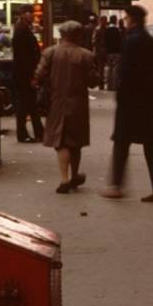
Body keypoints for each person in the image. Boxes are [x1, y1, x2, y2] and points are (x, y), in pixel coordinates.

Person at [101, 5, 153, 202]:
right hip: (149, 102)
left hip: (130, 101)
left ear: (132, 20)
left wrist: (120, 95)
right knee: (151, 145)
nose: (125, 22)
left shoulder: (130, 42)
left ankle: (115, 185)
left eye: (127, 18)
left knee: (121, 143)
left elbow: (125, 73)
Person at [35, 20, 98, 193]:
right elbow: (93, 82)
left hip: (56, 101)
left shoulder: (50, 53)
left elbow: (39, 75)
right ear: (78, 35)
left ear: (61, 35)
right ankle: (75, 175)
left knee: (61, 141)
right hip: (78, 103)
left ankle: (64, 178)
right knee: (75, 142)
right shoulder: (86, 55)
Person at [11, 11, 44, 143]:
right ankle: (24, 133)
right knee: (25, 104)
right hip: (24, 74)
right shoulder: (22, 33)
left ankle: (38, 131)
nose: (31, 15)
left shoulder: (23, 30)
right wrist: (31, 76)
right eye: (28, 13)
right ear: (23, 15)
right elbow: (24, 58)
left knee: (29, 104)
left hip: (24, 73)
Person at [102, 15, 123, 90]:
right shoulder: (117, 30)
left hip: (109, 52)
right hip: (116, 52)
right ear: (115, 20)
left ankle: (109, 86)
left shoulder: (107, 30)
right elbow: (120, 41)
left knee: (109, 69)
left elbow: (105, 41)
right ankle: (114, 86)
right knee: (115, 70)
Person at [92, 15, 109, 90]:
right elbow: (94, 41)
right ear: (101, 21)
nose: (105, 22)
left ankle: (104, 82)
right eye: (104, 20)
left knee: (105, 68)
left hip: (106, 51)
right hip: (100, 51)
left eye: (106, 20)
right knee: (100, 68)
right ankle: (100, 84)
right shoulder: (98, 29)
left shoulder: (106, 29)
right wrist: (96, 50)